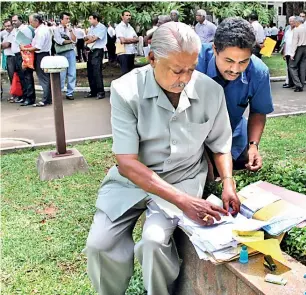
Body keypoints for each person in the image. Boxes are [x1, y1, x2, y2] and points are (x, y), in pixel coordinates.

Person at [85, 21, 239, 295]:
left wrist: (228, 182)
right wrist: (184, 202)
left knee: (153, 242)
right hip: (132, 181)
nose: (185, 78)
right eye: (177, 70)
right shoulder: (126, 90)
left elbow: (220, 145)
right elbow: (127, 162)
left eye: (191, 69)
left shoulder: (210, 91)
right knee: (99, 245)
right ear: (152, 59)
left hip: (183, 178)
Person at [196, 17, 274, 176]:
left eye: (243, 61)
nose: (235, 69)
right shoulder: (193, 64)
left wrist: (253, 146)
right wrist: (204, 159)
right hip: (193, 141)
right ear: (215, 49)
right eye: (229, 60)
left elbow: (258, 111)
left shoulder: (258, 72)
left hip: (234, 140)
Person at [21, 13, 52, 107]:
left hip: (41, 55)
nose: (30, 24)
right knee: (44, 77)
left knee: (43, 78)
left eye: (31, 22)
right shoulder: (43, 29)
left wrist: (25, 49)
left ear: (36, 21)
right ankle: (48, 98)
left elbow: (38, 47)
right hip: (44, 54)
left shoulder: (41, 31)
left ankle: (46, 99)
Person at [10, 14, 36, 106]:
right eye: (12, 21)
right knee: (21, 77)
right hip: (16, 55)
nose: (13, 22)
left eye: (15, 20)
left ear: (20, 20)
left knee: (27, 76)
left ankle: (30, 98)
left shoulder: (25, 29)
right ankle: (24, 96)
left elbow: (27, 43)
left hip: (24, 55)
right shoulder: (16, 30)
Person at [53, 12, 77, 100]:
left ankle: (70, 92)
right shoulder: (56, 29)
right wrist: (70, 41)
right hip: (61, 52)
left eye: (68, 19)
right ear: (61, 19)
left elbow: (75, 39)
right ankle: (59, 91)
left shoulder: (70, 29)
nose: (68, 20)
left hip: (70, 51)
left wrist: (70, 31)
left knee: (72, 72)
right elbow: (60, 41)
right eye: (66, 19)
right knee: (61, 73)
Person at [84, 12, 107, 99]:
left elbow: (94, 39)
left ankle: (100, 91)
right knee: (90, 71)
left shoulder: (101, 27)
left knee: (97, 71)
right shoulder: (91, 28)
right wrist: (89, 38)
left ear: (95, 19)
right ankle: (93, 90)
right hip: (91, 50)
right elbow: (86, 38)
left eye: (90, 18)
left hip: (98, 50)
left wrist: (90, 38)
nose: (89, 20)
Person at [288, 16, 306, 92]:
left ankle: (298, 84)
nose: (294, 23)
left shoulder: (296, 29)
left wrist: (292, 53)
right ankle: (302, 84)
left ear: (298, 22)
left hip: (299, 48)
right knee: (303, 67)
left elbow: (294, 42)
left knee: (292, 66)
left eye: (295, 22)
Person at [115, 11, 139, 75]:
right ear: (122, 17)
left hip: (131, 52)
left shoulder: (130, 27)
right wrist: (132, 40)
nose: (128, 17)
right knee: (125, 73)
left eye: (129, 15)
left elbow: (137, 39)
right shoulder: (119, 27)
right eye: (127, 15)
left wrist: (127, 39)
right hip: (123, 53)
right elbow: (123, 41)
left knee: (131, 73)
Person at [1, 20, 18, 102]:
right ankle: (14, 94)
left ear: (12, 25)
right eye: (5, 26)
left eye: (9, 26)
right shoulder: (6, 34)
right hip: (8, 57)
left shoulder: (14, 33)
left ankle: (16, 95)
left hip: (13, 57)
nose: (7, 28)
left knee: (14, 77)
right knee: (11, 77)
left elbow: (7, 45)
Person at [281, 16, 295, 89]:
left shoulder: (296, 30)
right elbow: (285, 42)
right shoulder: (288, 30)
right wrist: (284, 52)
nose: (291, 22)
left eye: (292, 21)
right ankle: (290, 82)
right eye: (290, 21)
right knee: (288, 68)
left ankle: (293, 82)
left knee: (293, 68)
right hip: (287, 52)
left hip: (293, 52)